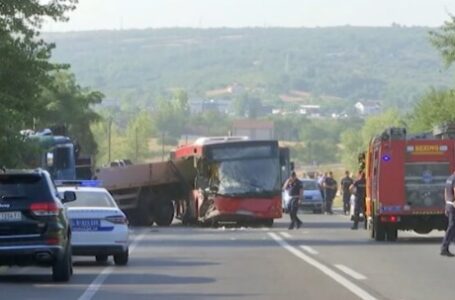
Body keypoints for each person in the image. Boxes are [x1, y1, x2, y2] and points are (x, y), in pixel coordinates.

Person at [441, 170, 455, 257]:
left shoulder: (449, 178)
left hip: (449, 205)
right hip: (453, 205)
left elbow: (446, 191)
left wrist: (446, 204)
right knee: (451, 227)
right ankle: (444, 247)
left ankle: (444, 247)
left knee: (452, 227)